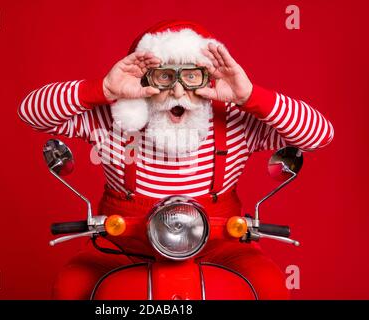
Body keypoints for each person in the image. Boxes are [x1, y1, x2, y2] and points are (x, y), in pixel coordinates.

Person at [18, 20, 334, 300]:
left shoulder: (236, 118)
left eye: (192, 76)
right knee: (70, 288)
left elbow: (319, 135)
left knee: (271, 286)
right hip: (123, 246)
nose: (179, 90)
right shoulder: (113, 117)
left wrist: (250, 96)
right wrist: (101, 89)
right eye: (165, 76)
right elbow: (31, 114)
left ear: (208, 78)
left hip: (220, 246)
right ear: (144, 79)